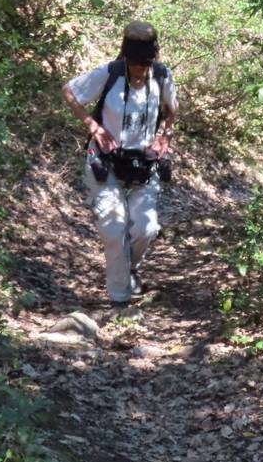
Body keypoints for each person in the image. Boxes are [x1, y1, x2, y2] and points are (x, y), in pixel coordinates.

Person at [62, 21, 178, 312]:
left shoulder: (163, 77)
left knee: (146, 228)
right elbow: (69, 92)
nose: (141, 69)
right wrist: (93, 125)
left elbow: (171, 112)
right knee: (114, 230)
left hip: (144, 164)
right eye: (136, 63)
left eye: (146, 64)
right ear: (126, 58)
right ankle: (120, 300)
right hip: (105, 161)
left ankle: (131, 268)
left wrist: (164, 137)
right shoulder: (109, 74)